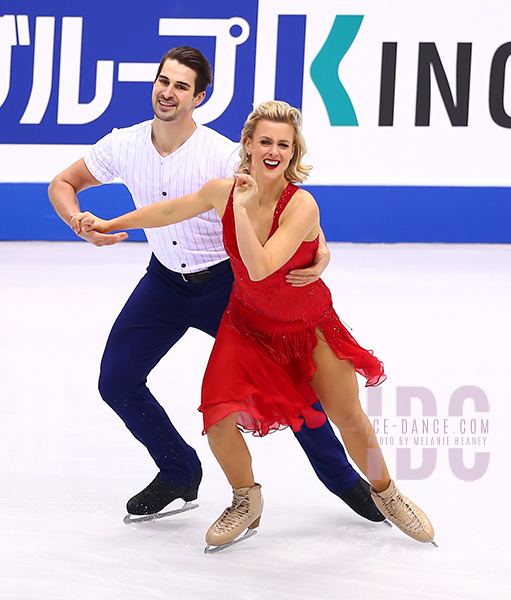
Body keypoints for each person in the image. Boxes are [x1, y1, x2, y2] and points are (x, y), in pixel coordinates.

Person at [70, 100, 436, 550]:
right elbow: (166, 213)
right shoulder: (224, 190)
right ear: (248, 145)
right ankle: (246, 499)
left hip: (306, 326)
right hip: (246, 323)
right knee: (219, 416)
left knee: (348, 418)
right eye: (265, 141)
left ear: (293, 151)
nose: (274, 150)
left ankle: (386, 493)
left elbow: (260, 266)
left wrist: (243, 210)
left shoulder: (300, 205)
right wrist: (109, 222)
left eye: (284, 144)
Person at [48, 46, 384, 523]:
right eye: (164, 81)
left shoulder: (223, 156)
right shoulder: (122, 144)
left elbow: (281, 202)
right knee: (117, 379)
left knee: (290, 385)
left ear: (198, 97)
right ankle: (179, 469)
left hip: (227, 288)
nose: (168, 92)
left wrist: (321, 247)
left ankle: (347, 482)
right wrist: (79, 220)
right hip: (164, 282)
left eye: (181, 86)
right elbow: (63, 183)